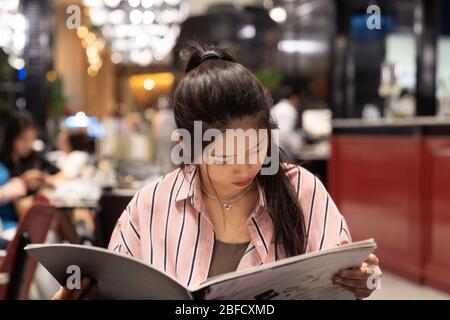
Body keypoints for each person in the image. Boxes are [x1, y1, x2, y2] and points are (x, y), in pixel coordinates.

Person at [53, 44, 381, 300]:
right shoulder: (153, 204)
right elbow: (115, 287)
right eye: (224, 156)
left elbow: (344, 279)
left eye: (257, 148)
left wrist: (362, 281)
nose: (245, 166)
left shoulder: (301, 190)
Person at [270, 87, 302, 162]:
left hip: (272, 147)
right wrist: (298, 144)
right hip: (280, 149)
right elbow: (285, 133)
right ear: (294, 98)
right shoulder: (289, 110)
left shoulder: (277, 107)